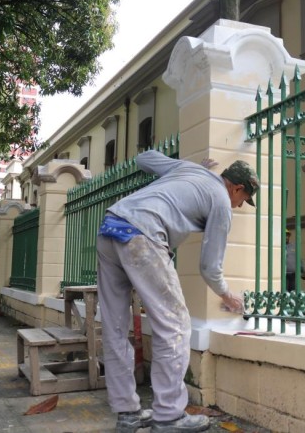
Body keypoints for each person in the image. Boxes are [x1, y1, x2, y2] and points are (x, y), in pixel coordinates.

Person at [96, 150, 258, 432]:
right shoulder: (220, 201)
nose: (240, 206)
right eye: (243, 200)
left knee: (115, 327)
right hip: (141, 236)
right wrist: (227, 295)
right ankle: (169, 416)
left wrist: (184, 166)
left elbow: (143, 158)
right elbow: (209, 267)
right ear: (237, 187)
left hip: (110, 227)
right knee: (175, 325)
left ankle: (127, 413)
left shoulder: (190, 171)